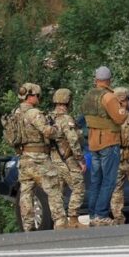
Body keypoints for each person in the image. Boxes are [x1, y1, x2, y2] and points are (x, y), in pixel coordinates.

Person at [13, 83, 68, 230]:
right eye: (37, 96)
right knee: (54, 187)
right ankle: (61, 222)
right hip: (39, 158)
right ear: (30, 96)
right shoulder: (33, 113)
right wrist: (57, 129)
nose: (39, 98)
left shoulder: (16, 113)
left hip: (24, 157)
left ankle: (28, 225)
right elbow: (47, 131)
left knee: (26, 191)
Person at [81, 66, 127, 226]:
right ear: (109, 80)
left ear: (96, 79)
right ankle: (101, 214)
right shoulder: (108, 97)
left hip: (93, 142)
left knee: (96, 180)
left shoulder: (88, 96)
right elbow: (119, 118)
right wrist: (124, 110)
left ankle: (93, 214)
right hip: (109, 141)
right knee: (109, 180)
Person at [50, 88, 86, 228]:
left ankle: (59, 221)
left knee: (58, 190)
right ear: (68, 101)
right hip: (67, 159)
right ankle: (73, 218)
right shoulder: (66, 119)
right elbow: (73, 140)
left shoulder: (49, 118)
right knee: (79, 187)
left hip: (53, 159)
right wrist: (80, 159)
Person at [111, 86, 129, 224]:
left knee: (116, 189)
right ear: (123, 100)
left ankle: (118, 217)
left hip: (115, 156)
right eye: (128, 99)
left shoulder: (110, 117)